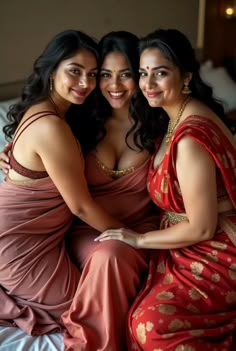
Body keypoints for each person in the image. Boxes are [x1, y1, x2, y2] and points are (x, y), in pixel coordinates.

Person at [0, 31, 160, 350]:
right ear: (51, 70)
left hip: (54, 237)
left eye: (125, 74)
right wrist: (136, 239)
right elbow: (81, 206)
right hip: (31, 241)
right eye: (76, 71)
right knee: (88, 306)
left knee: (103, 292)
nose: (88, 83)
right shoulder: (66, 123)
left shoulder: (76, 115)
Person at [96, 29, 236, 350]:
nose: (148, 84)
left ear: (185, 76)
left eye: (160, 73)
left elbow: (202, 226)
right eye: (143, 73)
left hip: (216, 248)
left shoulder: (189, 138)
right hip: (194, 243)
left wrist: (139, 238)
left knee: (151, 324)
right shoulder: (173, 116)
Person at [62, 31, 160, 351]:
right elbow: (37, 147)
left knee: (115, 255)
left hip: (142, 228)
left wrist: (137, 237)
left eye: (125, 75)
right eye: (105, 75)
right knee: (108, 253)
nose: (114, 86)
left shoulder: (159, 122)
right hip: (89, 229)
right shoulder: (77, 120)